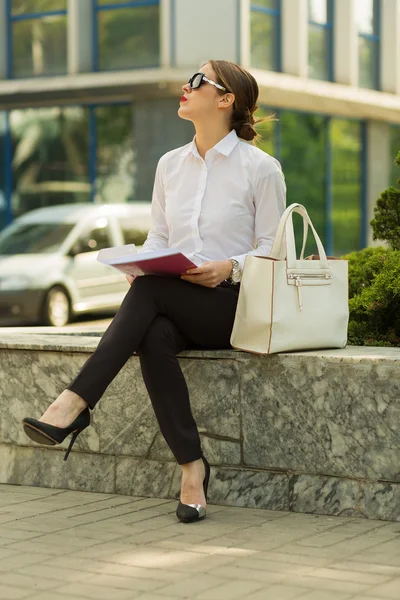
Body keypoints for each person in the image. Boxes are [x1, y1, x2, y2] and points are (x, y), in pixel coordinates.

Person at [22, 60, 286, 524]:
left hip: (234, 306)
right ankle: (192, 468)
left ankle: (73, 403)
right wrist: (141, 262)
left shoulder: (261, 169)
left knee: (150, 298)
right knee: (153, 332)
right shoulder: (170, 166)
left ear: (226, 100)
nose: (186, 86)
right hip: (175, 300)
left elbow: (273, 250)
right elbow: (160, 238)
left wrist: (229, 266)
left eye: (199, 81)